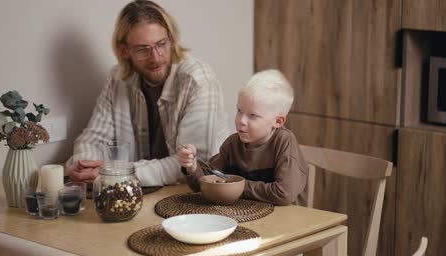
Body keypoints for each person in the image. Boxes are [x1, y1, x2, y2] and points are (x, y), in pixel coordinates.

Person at [68, 0, 230, 186]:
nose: (155, 57)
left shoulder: (198, 80)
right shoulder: (117, 78)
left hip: (195, 190)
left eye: (161, 44)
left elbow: (196, 162)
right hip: (142, 189)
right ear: (124, 50)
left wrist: (116, 173)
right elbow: (93, 138)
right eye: (143, 49)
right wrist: (85, 167)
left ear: (172, 39)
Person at [178, 69, 308, 205]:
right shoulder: (232, 144)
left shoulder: (284, 142)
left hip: (288, 220)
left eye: (253, 115)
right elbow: (206, 184)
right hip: (246, 215)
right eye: (239, 111)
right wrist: (192, 167)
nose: (241, 120)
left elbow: (283, 194)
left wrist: (234, 185)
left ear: (278, 122)